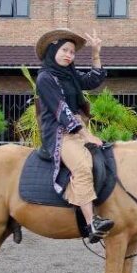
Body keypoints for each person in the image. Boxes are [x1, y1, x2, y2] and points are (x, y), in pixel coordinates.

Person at [35, 27, 114, 241]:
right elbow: (61, 109)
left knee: (106, 156)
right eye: (65, 50)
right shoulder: (45, 77)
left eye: (72, 52)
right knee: (82, 166)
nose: (69, 55)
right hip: (59, 133)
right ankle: (92, 224)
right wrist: (86, 136)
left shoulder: (69, 74)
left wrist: (95, 54)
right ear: (53, 52)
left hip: (78, 128)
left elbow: (93, 80)